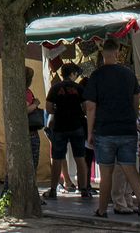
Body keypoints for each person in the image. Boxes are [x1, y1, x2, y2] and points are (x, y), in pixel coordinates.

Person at [84, 38, 140, 218]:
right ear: (118, 53)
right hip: (126, 128)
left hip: (104, 129)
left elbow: (90, 106)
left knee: (106, 173)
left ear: (103, 55)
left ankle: (102, 209)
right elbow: (137, 99)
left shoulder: (96, 76)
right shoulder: (128, 74)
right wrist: (133, 118)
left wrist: (90, 132)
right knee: (130, 169)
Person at [46, 63, 89, 199]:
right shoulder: (79, 88)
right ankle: (83, 189)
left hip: (60, 126)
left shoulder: (55, 88)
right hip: (77, 126)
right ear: (72, 74)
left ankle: (53, 189)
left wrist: (58, 111)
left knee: (57, 158)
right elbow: (86, 107)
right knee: (80, 159)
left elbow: (48, 108)